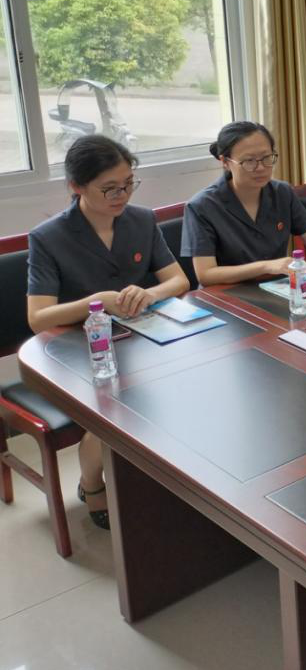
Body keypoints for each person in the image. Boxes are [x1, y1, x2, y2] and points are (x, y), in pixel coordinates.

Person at [27, 135, 190, 529]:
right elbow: (38, 318)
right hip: (75, 349)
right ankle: (91, 484)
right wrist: (96, 301)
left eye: (129, 184)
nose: (122, 195)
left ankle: (170, 478)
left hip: (137, 339)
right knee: (115, 411)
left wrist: (148, 293)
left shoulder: (141, 220)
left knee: (188, 383)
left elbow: (179, 281)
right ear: (76, 186)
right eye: (110, 188)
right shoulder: (49, 237)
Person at [182, 122, 306, 286]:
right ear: (225, 162)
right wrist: (265, 267)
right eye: (249, 161)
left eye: (266, 158)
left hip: (277, 287)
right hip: (227, 293)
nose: (260, 168)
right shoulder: (202, 206)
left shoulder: (282, 192)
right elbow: (206, 275)